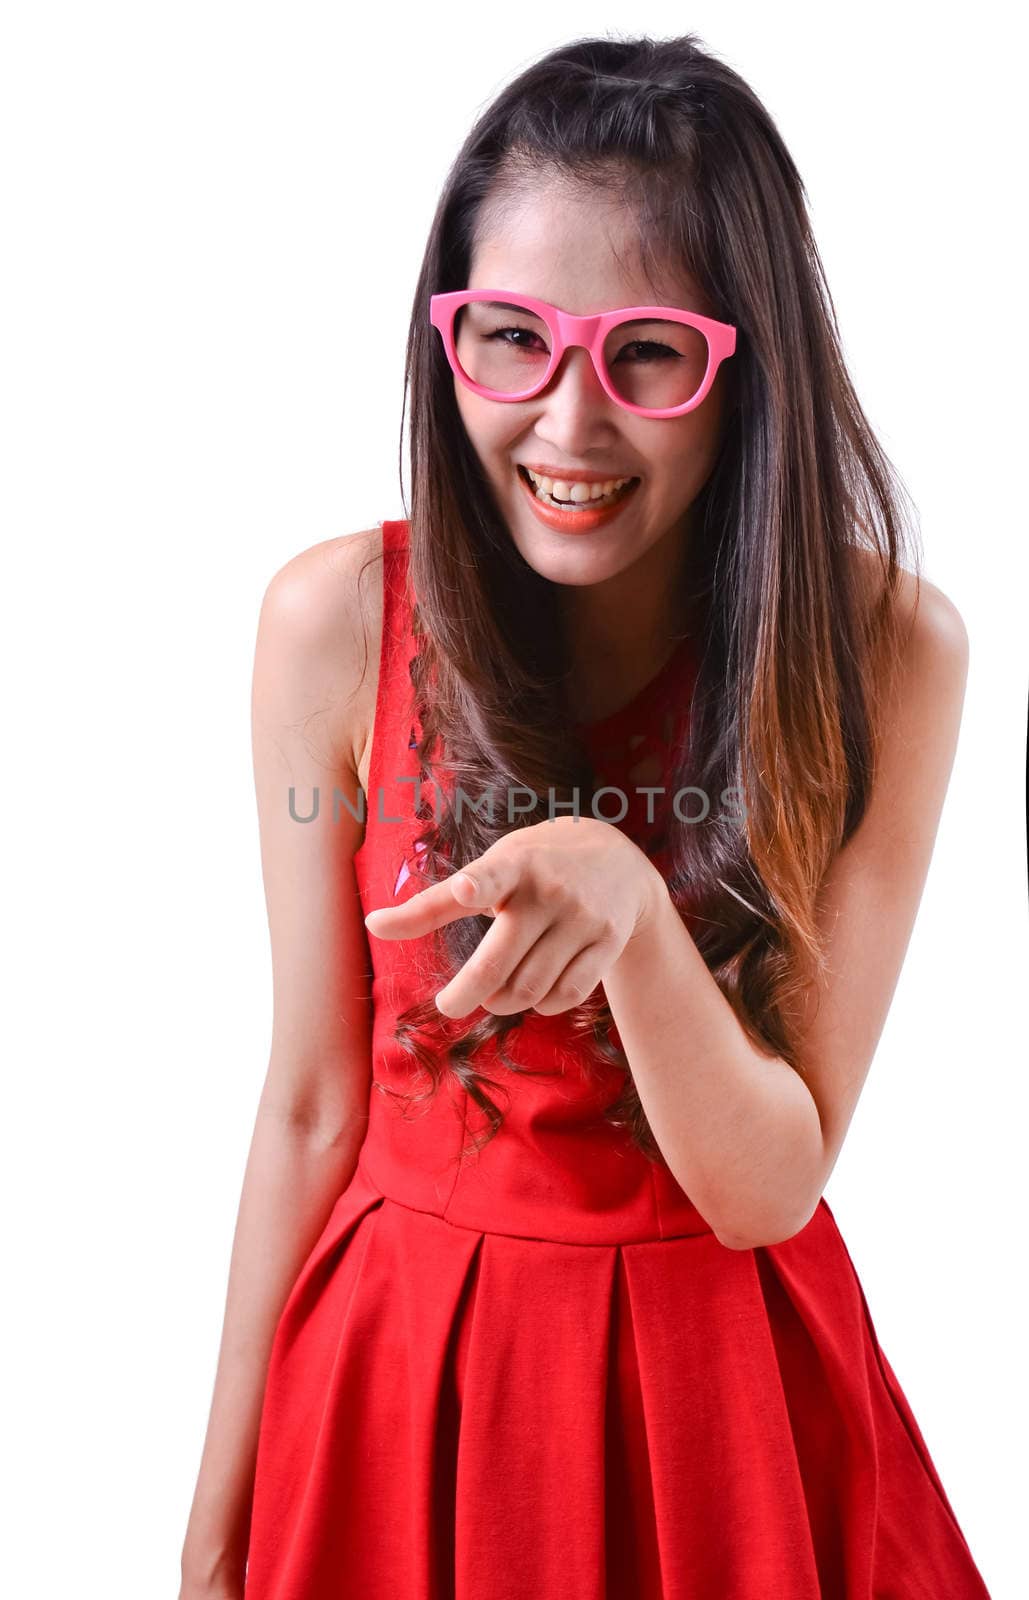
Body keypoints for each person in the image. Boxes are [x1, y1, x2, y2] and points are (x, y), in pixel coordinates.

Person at [179, 32, 994, 1600]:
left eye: (644, 356)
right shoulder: (337, 619)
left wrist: (628, 908)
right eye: (509, 341)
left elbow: (768, 1182)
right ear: (450, 341)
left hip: (720, 1394)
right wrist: (216, 1537)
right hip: (404, 1377)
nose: (565, 425)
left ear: (740, 362)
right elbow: (305, 1106)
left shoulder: (884, 651)